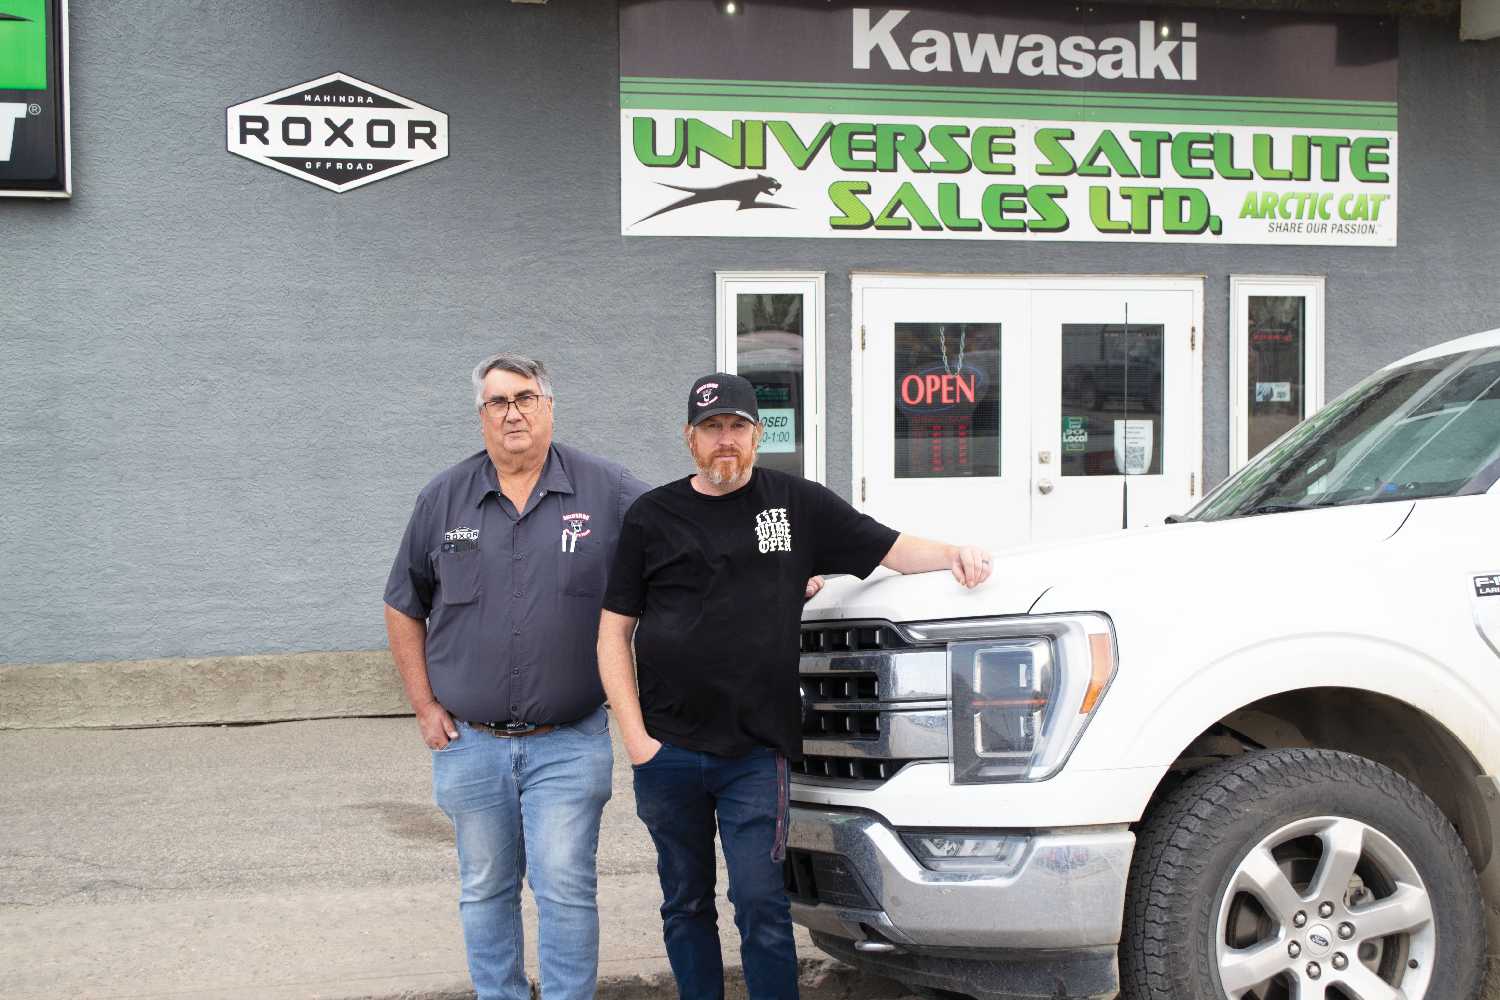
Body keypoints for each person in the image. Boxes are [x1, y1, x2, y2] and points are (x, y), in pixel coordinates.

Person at [597, 372, 993, 1000]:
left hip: (757, 753)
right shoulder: (653, 516)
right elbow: (612, 633)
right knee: (684, 902)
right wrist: (636, 739)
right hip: (668, 752)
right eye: (711, 428)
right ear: (689, 439)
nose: (725, 440)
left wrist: (953, 553)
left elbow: (887, 547)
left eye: (737, 427)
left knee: (761, 904)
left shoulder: (795, 505)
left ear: (758, 435)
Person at [383, 352, 648, 1000]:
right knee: (485, 887)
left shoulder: (607, 490)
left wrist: (778, 571)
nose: (513, 413)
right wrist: (423, 706)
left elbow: (684, 544)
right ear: (481, 417)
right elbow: (402, 604)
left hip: (569, 739)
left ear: (549, 407)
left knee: (564, 887)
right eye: (498, 402)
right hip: (469, 745)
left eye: (525, 397)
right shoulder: (443, 499)